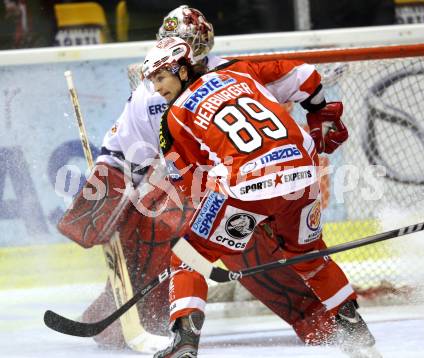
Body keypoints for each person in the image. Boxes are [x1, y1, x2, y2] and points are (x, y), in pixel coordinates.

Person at [59, 4, 357, 353]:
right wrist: (319, 110)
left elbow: (122, 159)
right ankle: (125, 321)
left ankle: (317, 322)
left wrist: (105, 192)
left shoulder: (198, 81)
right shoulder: (232, 74)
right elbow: (120, 157)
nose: (159, 84)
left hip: (224, 188)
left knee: (219, 246)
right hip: (223, 187)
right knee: (166, 234)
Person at [142, 36, 380, 358]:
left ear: (182, 70)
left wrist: (246, 215)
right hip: (303, 174)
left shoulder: (173, 118)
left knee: (188, 257)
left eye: (160, 77)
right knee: (309, 255)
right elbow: (307, 74)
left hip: (246, 186)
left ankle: (184, 342)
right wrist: (318, 110)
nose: (157, 88)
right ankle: (356, 331)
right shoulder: (239, 72)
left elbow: (190, 184)